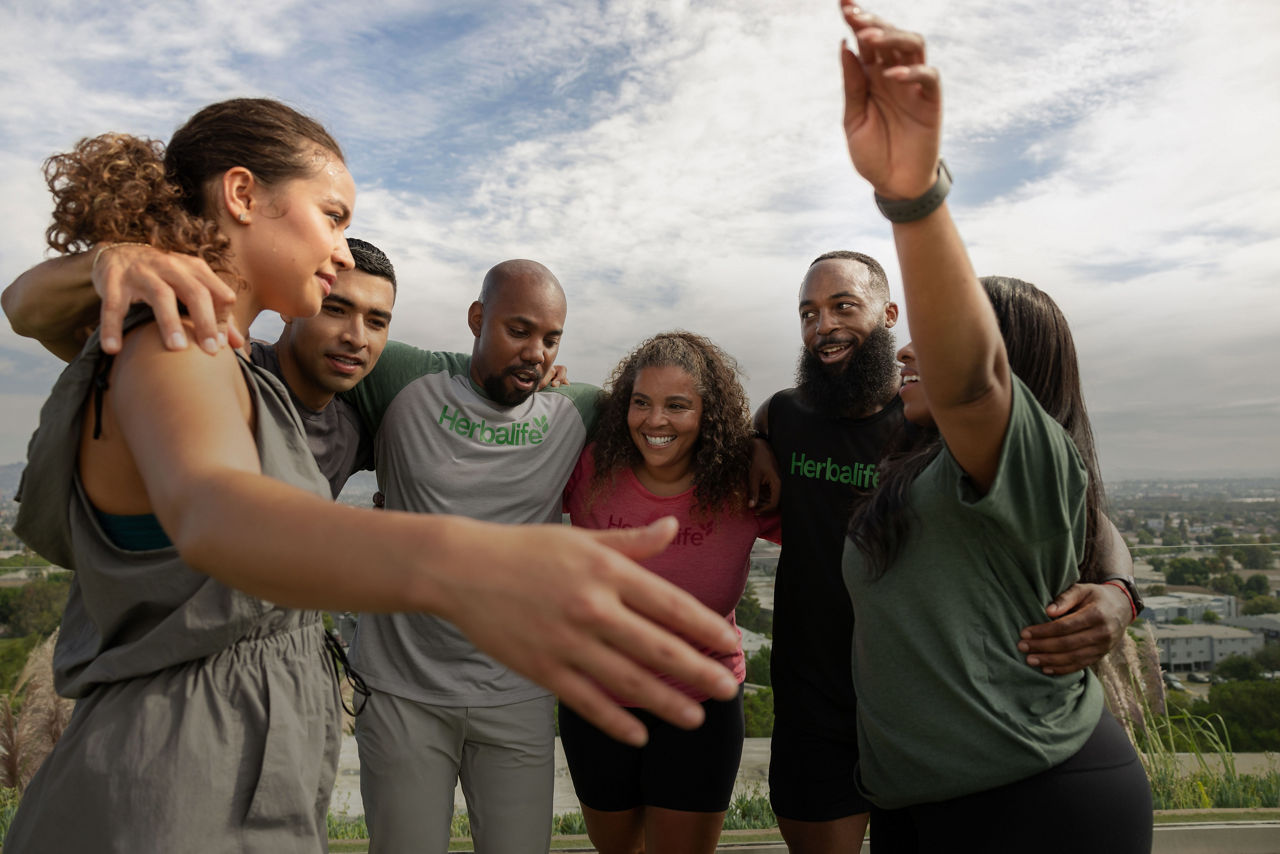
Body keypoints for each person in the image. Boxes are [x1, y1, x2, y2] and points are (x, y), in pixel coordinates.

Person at [1, 98, 740, 852]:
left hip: (246, 770)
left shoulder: (227, 365)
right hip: (170, 784)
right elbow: (217, 512)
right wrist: (464, 563)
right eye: (333, 216)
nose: (342, 251)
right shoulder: (175, 345)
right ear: (243, 195)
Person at [836, 6, 1152, 851]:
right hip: (923, 808)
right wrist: (1121, 584)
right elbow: (1094, 521)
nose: (907, 350)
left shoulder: (1009, 445)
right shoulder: (945, 470)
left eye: (930, 340)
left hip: (1034, 804)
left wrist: (913, 199)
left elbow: (971, 380)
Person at [753, 257, 1136, 850]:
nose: (823, 325)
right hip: (817, 696)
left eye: (843, 306)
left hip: (948, 707)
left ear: (889, 314)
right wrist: (755, 441)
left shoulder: (939, 421)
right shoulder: (788, 414)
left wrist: (1119, 590)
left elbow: (1079, 509)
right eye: (809, 313)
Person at [342, 259, 602, 853]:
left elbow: (673, 405)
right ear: (477, 319)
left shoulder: (575, 409)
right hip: (401, 690)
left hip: (518, 693)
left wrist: (766, 434)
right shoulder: (403, 376)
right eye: (519, 330)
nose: (536, 352)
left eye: (550, 337)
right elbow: (314, 348)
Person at [560, 331, 781, 854]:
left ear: (709, 413)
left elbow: (837, 532)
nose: (655, 421)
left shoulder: (742, 484)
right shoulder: (590, 468)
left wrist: (762, 442)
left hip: (700, 705)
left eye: (677, 406)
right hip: (598, 701)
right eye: (642, 402)